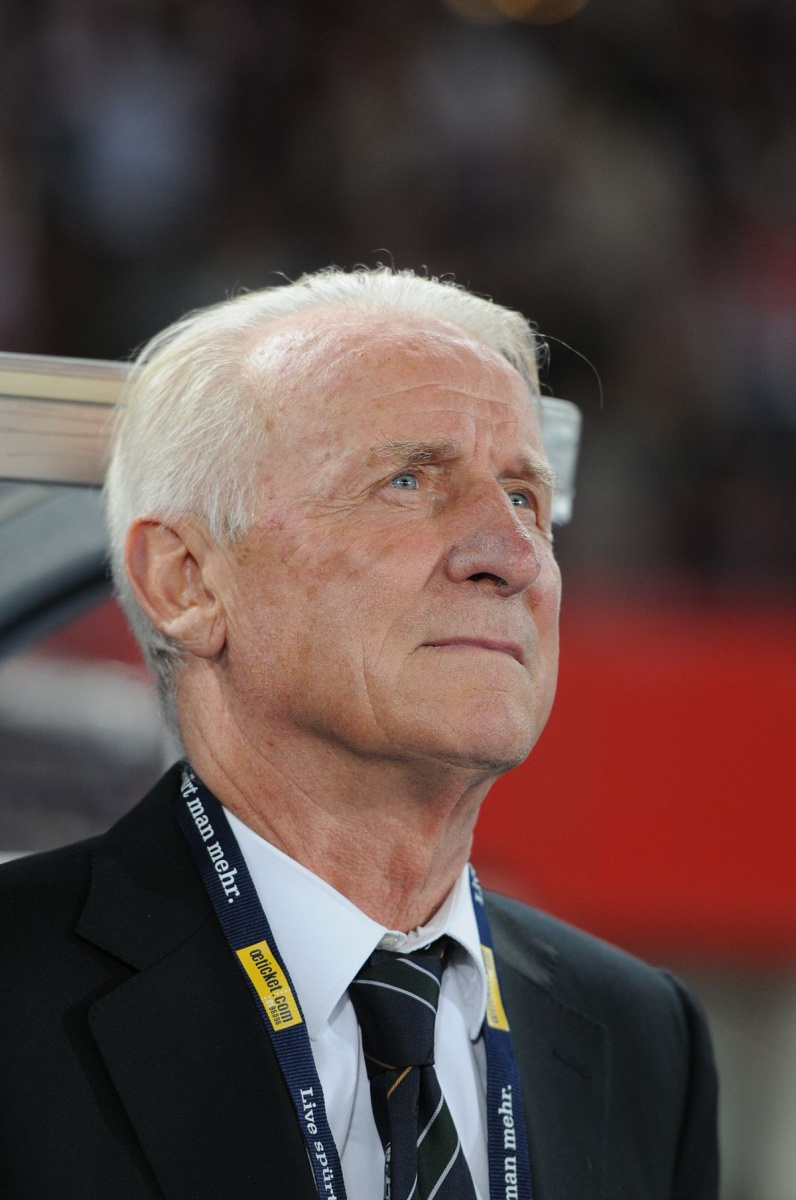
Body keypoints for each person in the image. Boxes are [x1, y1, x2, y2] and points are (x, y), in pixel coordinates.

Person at [0, 268, 718, 1199]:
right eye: (407, 481)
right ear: (187, 582)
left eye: (523, 498)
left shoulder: (643, 1039)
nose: (510, 555)